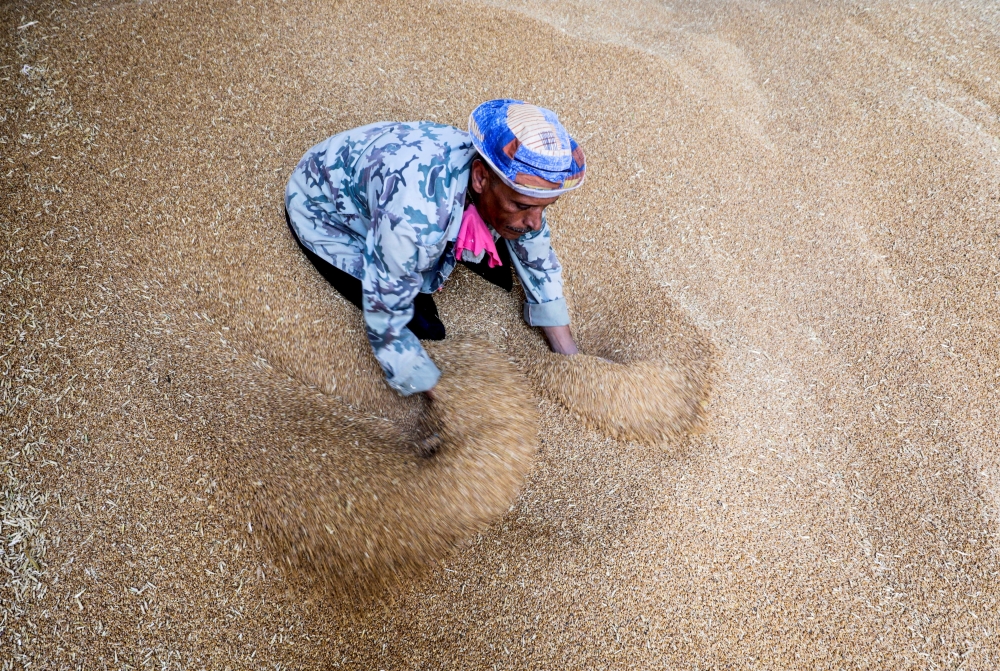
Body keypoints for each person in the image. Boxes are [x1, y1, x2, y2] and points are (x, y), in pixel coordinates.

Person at [285, 99, 586, 406]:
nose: (536, 221)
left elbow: (536, 248)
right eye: (523, 206)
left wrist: (568, 355)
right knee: (425, 324)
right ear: (481, 177)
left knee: (511, 242)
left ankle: (483, 227)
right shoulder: (414, 221)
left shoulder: (510, 180)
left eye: (543, 206)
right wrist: (439, 395)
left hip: (389, 180)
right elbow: (385, 309)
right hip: (325, 210)